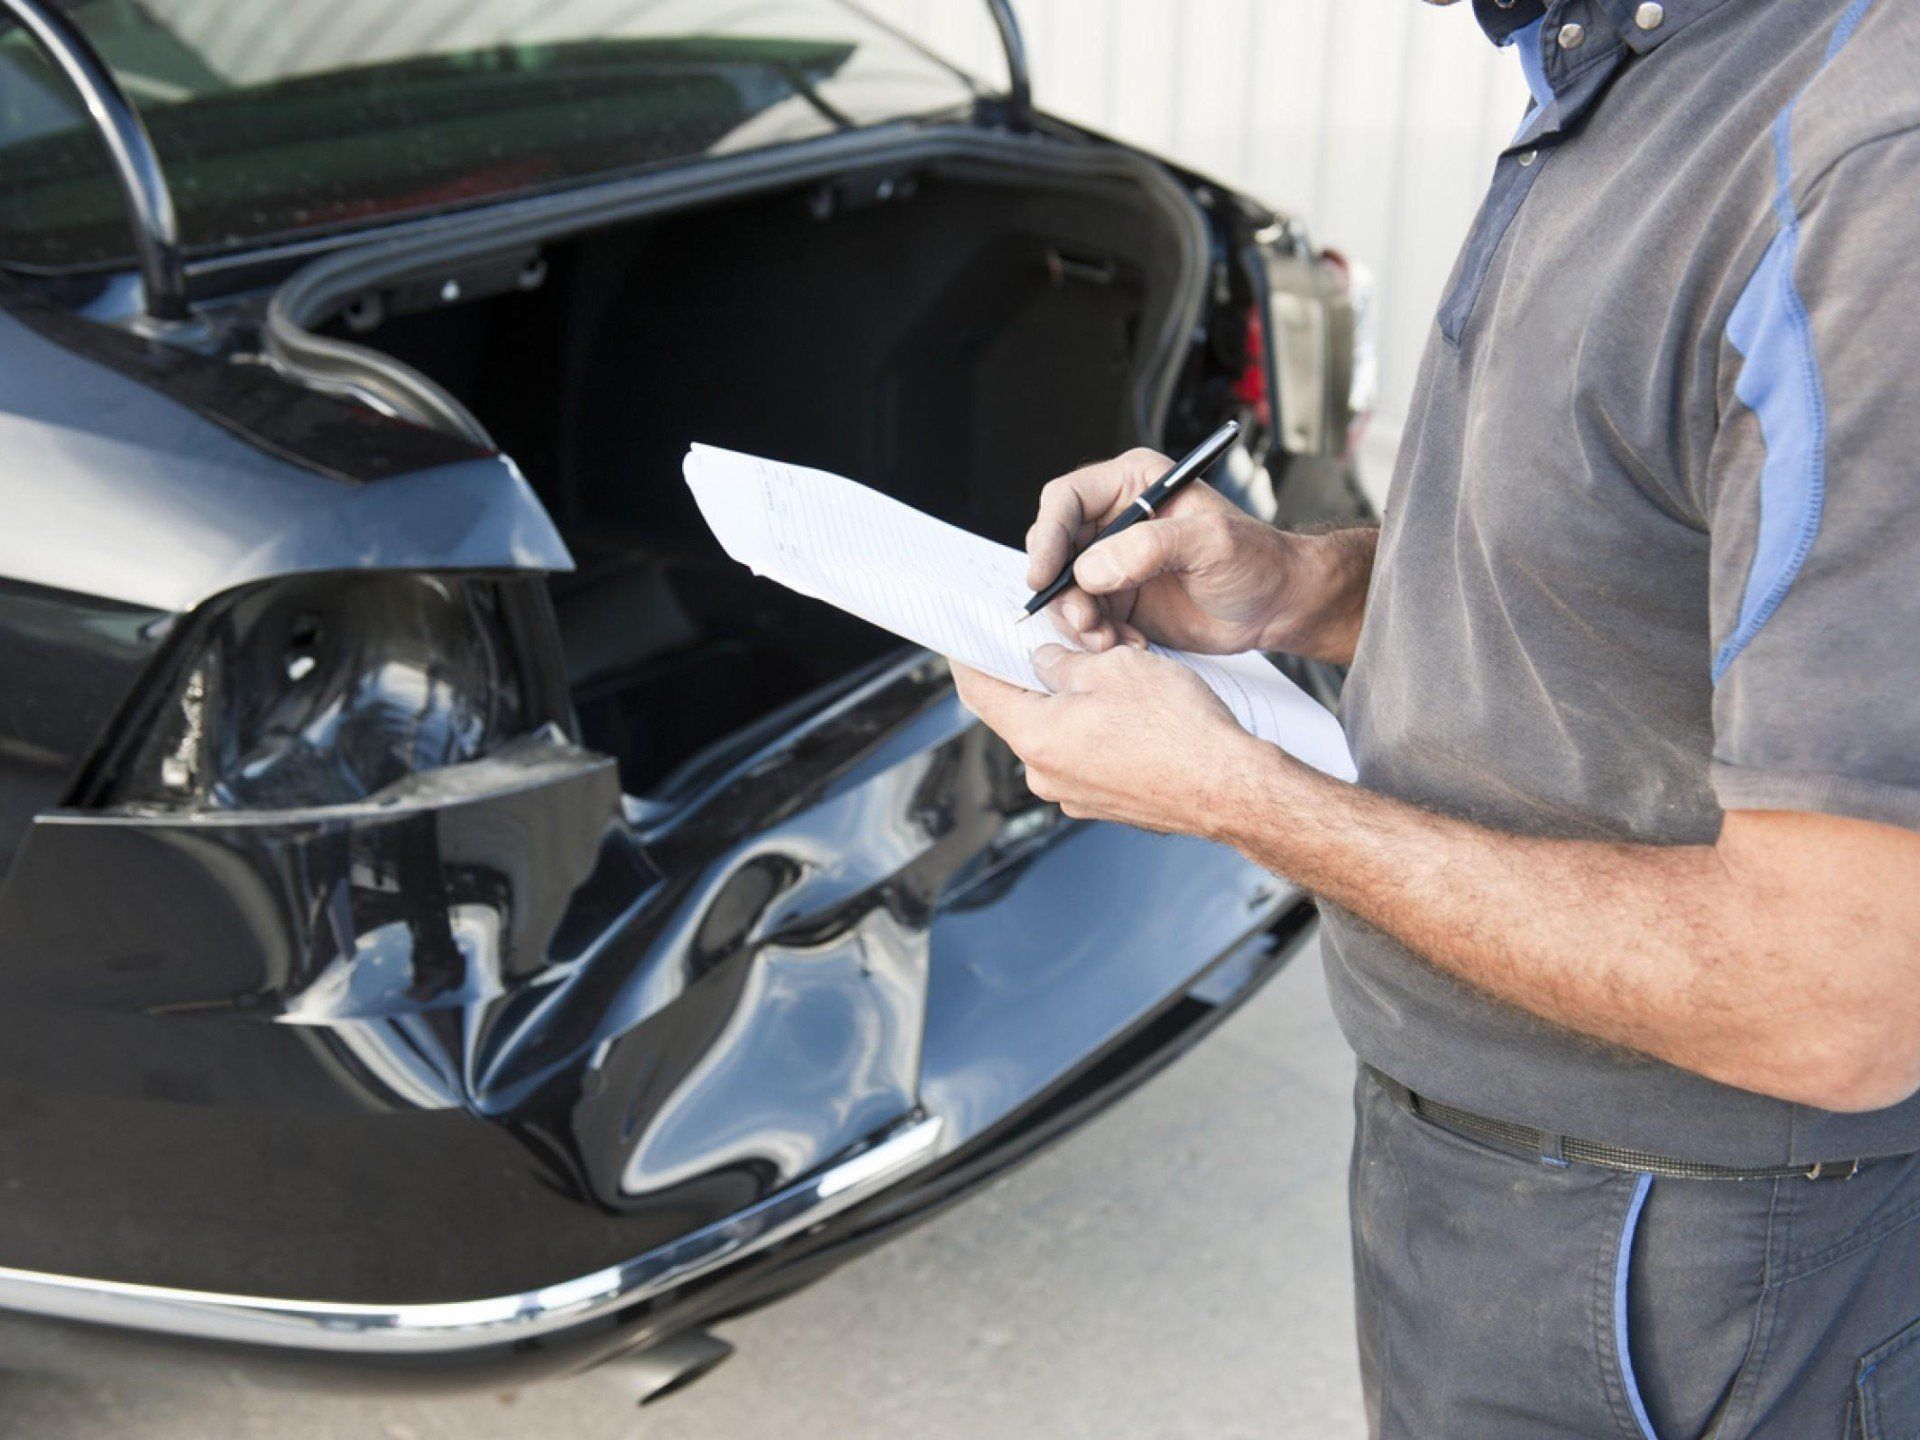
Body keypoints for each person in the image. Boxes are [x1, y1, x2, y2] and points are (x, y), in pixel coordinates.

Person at [951, 0, 1920, 1435]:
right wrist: (1290, 588)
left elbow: (1842, 1003)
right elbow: (1630, 578)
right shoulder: (1619, 67)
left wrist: (1247, 796)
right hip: (1483, 1181)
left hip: (1694, 1260)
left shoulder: (1864, 171)